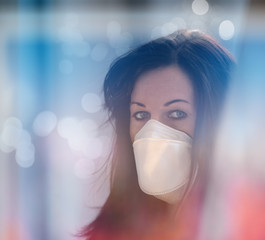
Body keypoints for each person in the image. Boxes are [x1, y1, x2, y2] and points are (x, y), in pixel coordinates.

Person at [80, 29, 235, 240]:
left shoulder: (260, 222)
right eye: (141, 114)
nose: (153, 131)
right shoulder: (113, 230)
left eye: (177, 113)